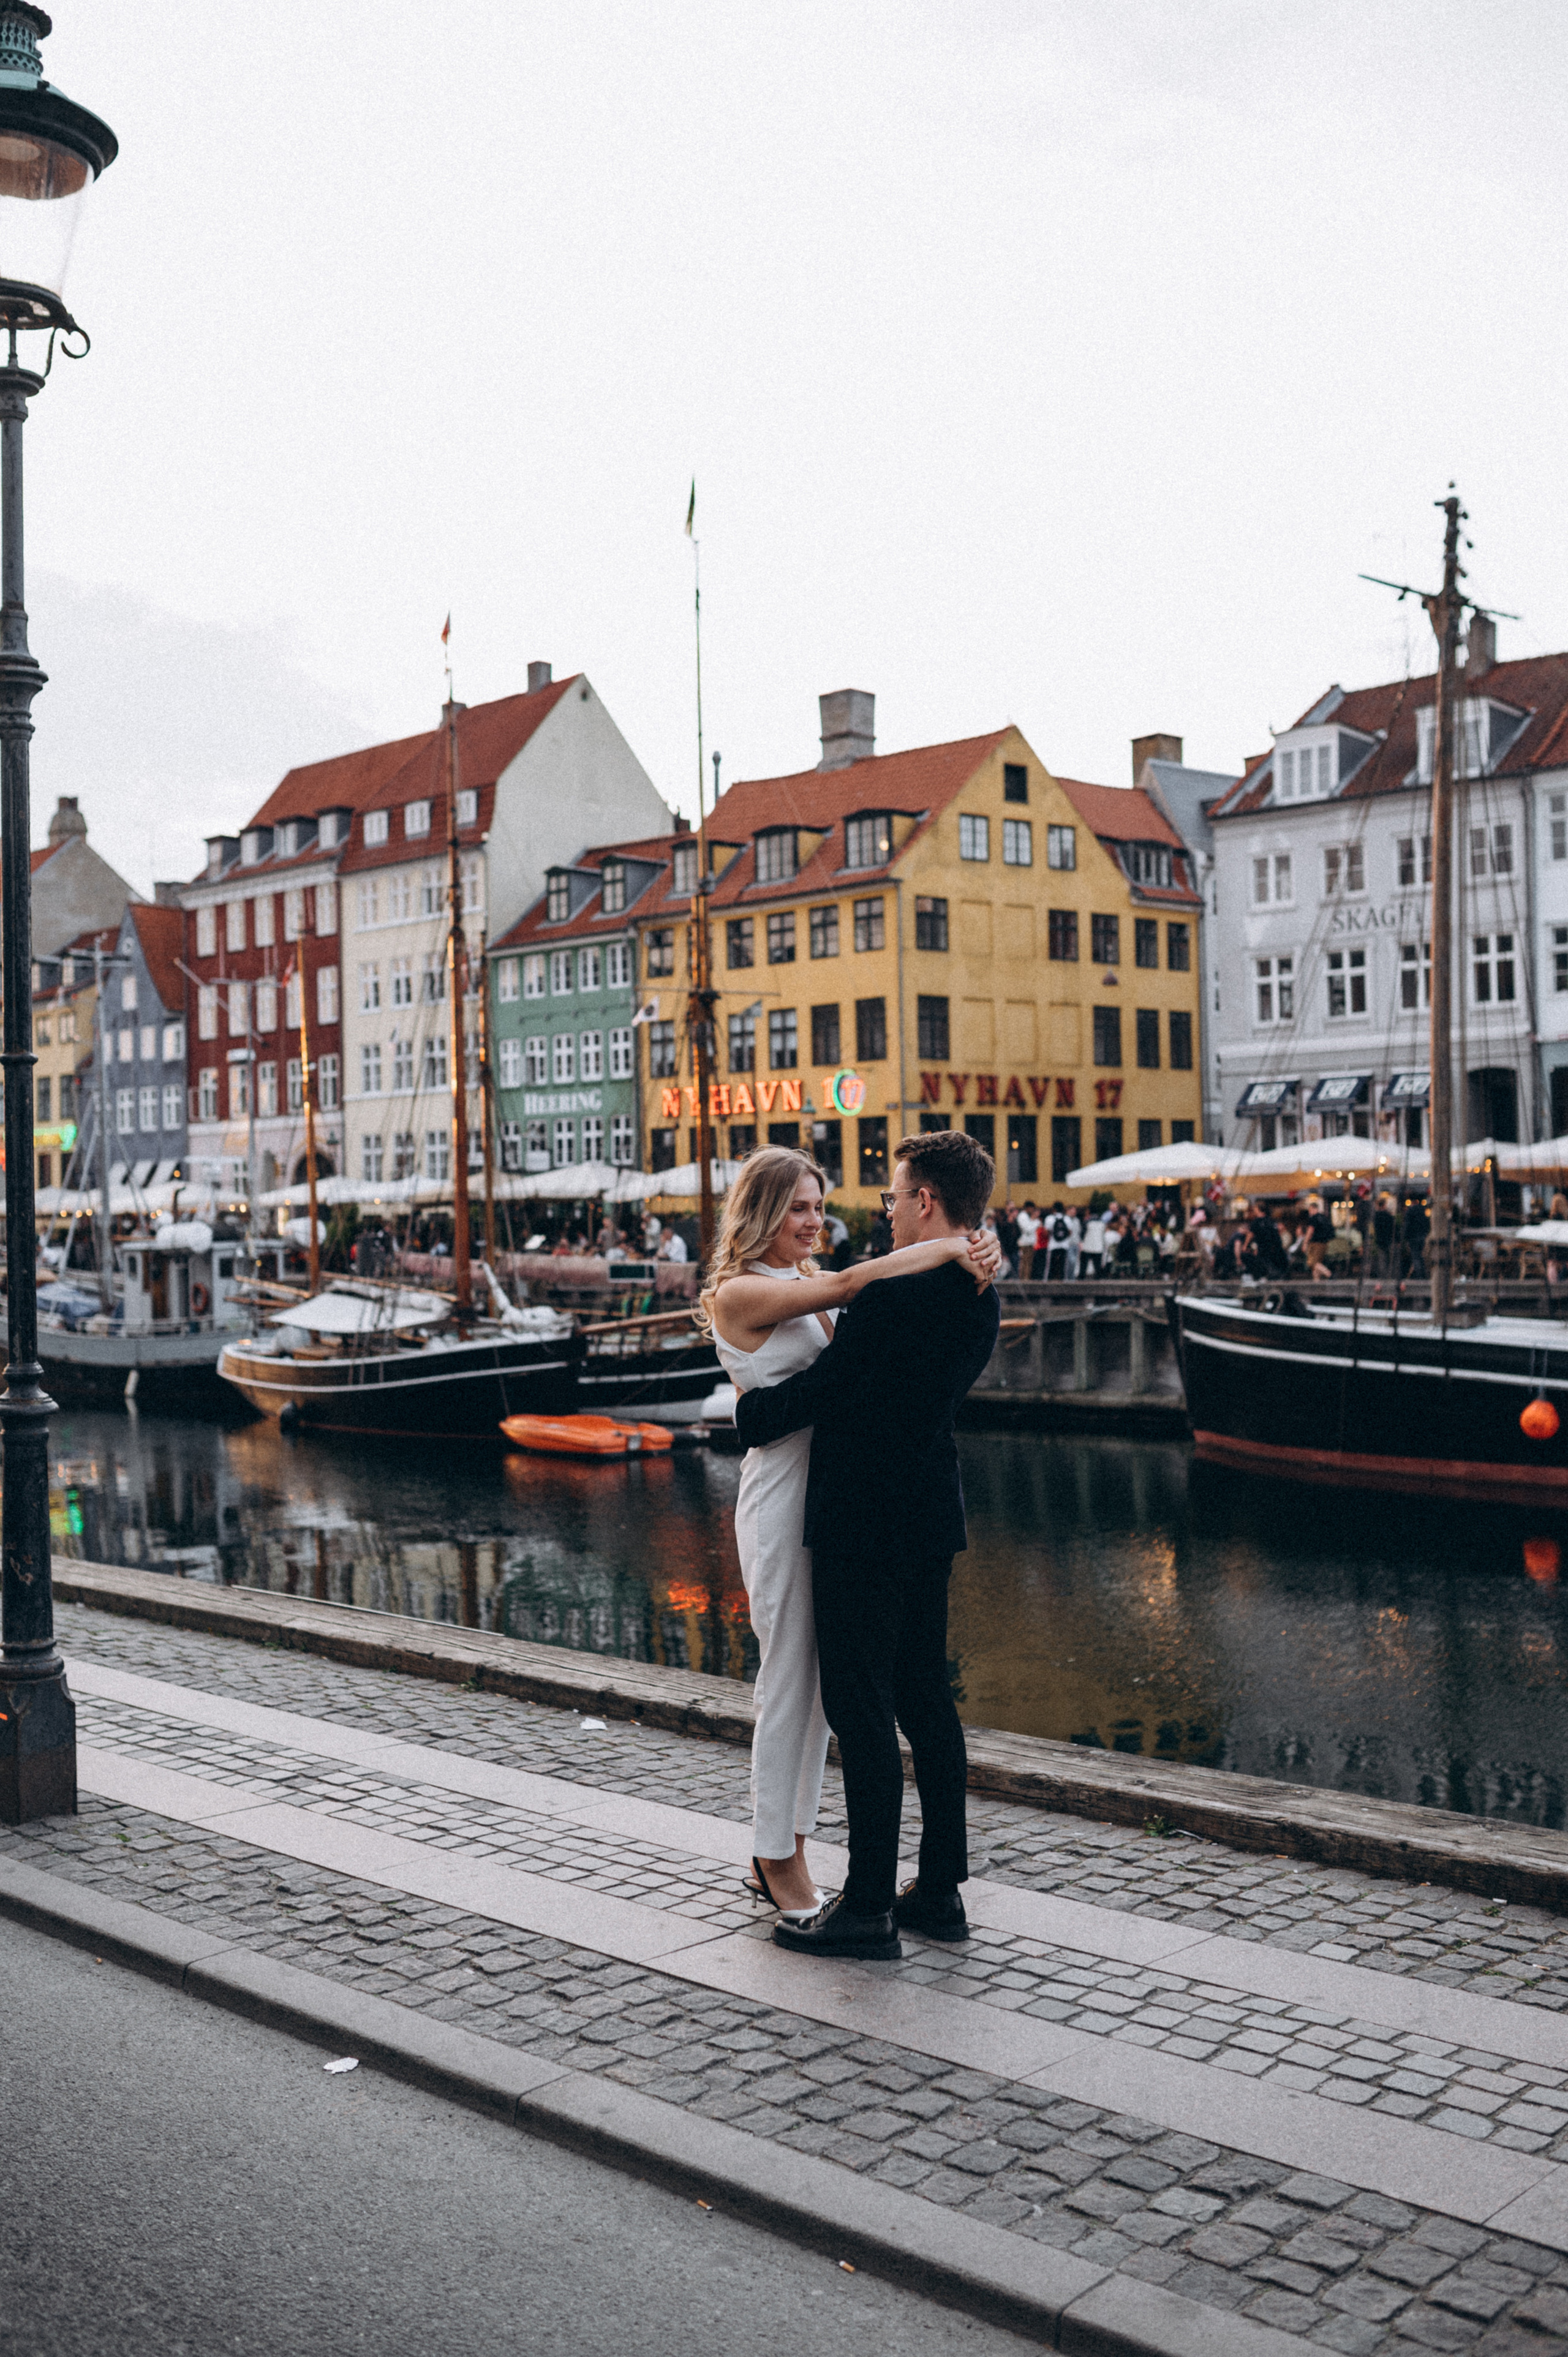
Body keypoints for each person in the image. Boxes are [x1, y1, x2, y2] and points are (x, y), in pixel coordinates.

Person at [698, 1145, 998, 1921]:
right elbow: (854, 1291)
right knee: (791, 1683)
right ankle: (776, 1856)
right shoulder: (744, 1290)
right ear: (762, 1210)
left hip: (838, 1495)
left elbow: (850, 1367)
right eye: (798, 1205)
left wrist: (968, 1243)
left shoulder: (806, 1283)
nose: (815, 1217)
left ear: (922, 1197)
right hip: (786, 1494)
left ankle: (794, 1844)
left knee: (829, 1697)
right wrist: (957, 1243)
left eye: (817, 1202)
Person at [1043, 1202, 1075, 1280]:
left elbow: (1046, 1232)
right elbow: (1070, 1232)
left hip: (1053, 1245)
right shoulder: (1067, 1219)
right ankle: (1063, 1281)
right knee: (1063, 1266)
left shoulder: (1050, 1218)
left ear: (1054, 1209)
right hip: (1064, 1245)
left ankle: (1048, 1281)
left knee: (1050, 1266)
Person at [1079, 1204, 1107, 1279]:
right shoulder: (1102, 1222)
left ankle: (1081, 1281)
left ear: (1089, 1212)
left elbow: (1082, 1234)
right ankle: (1098, 1282)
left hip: (1087, 1246)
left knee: (1083, 1266)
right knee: (1097, 1267)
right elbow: (1103, 1234)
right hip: (1098, 1247)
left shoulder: (1087, 1222)